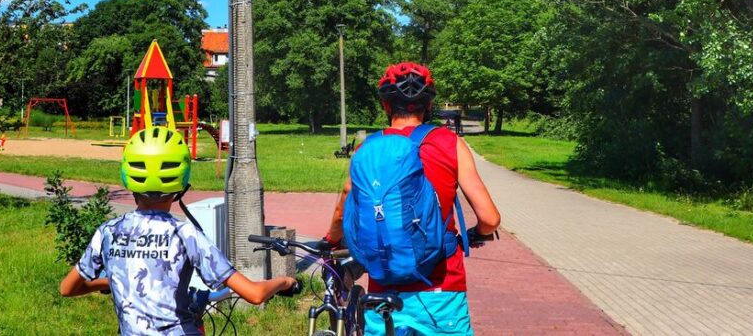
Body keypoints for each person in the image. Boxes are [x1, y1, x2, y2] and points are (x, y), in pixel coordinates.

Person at [60, 126, 297, 335]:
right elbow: (254, 294)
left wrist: (112, 282)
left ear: (128, 176)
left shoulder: (108, 232)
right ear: (181, 183)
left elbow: (68, 288)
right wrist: (285, 281)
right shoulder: (185, 234)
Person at [325, 62, 501, 336]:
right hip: (442, 287)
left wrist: (331, 241)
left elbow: (343, 208)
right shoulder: (449, 142)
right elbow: (490, 219)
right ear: (428, 105)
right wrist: (476, 234)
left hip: (384, 288)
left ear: (386, 105)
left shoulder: (366, 149)